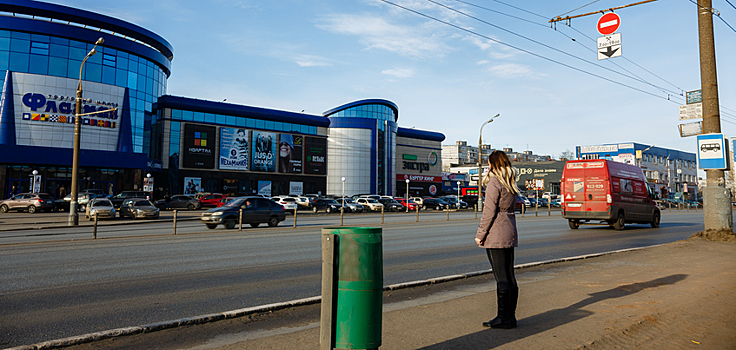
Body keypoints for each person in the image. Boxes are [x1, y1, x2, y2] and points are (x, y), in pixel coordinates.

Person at [475, 150, 520, 329]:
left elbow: (488, 212)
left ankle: (503, 318)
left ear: (493, 164)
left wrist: (480, 234)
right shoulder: (510, 183)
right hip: (509, 231)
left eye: (489, 163)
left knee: (501, 278)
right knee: (509, 276)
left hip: (496, 234)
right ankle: (511, 317)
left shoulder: (494, 182)